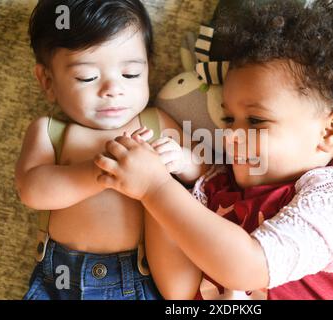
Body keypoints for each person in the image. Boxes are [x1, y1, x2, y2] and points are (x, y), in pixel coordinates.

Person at [93, 0, 333, 299]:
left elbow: (248, 268)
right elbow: (179, 290)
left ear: (330, 131)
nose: (232, 135)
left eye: (256, 120)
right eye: (229, 118)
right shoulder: (219, 187)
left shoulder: (332, 202)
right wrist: (163, 185)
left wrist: (155, 189)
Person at [15, 0, 204, 300]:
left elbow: (205, 172)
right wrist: (99, 171)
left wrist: (181, 161)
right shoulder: (51, 132)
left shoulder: (155, 122)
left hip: (137, 279)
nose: (112, 89)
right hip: (59, 280)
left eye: (130, 74)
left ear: (148, 70)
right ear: (48, 81)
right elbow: (32, 190)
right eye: (87, 78)